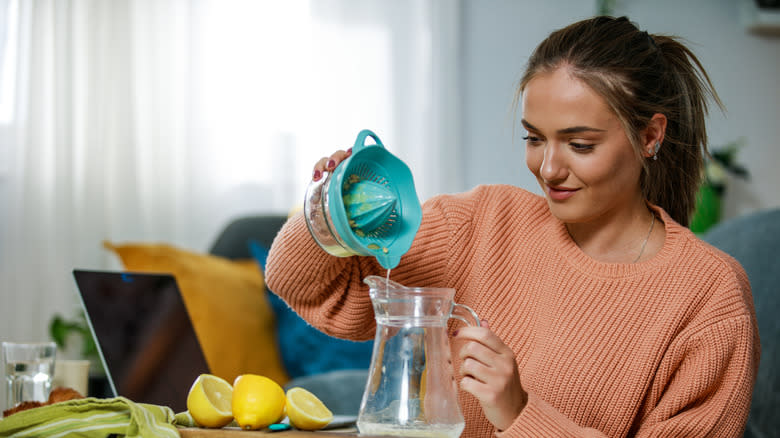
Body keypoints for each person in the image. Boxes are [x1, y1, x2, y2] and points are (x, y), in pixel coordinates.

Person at [266, 16, 759, 437]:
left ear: (649, 136)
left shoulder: (709, 299)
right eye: (534, 138)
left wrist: (520, 413)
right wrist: (326, 212)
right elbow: (302, 285)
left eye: (579, 145)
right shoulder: (481, 222)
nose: (548, 168)